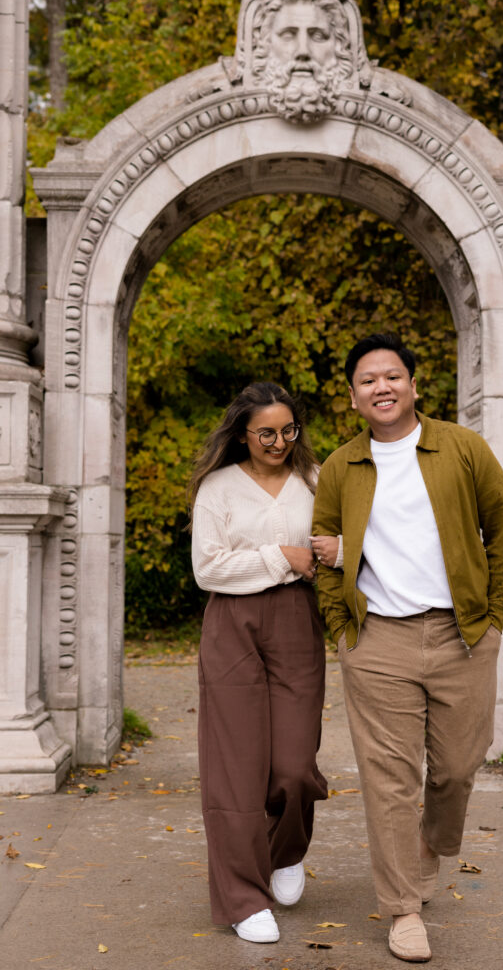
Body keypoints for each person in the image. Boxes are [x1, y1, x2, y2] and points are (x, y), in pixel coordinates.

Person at [312, 333, 503, 963]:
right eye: (369, 380)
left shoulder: (462, 448)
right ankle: (403, 908)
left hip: (462, 634)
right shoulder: (340, 466)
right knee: (389, 780)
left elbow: (501, 527)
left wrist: (495, 618)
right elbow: (324, 543)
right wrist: (339, 625)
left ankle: (432, 840)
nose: (382, 387)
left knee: (457, 767)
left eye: (393, 376)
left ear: (414, 385)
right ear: (353, 398)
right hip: (378, 641)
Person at [189, 382, 340, 944]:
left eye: (288, 430)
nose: (279, 441)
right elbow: (209, 569)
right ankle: (242, 897)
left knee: (296, 766)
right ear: (243, 433)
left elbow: (342, 546)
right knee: (236, 768)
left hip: (299, 621)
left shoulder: (317, 480)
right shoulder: (218, 488)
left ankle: (284, 851)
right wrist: (282, 556)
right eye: (266, 433)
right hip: (233, 625)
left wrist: (333, 553)